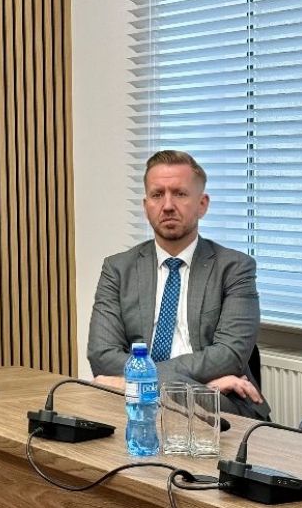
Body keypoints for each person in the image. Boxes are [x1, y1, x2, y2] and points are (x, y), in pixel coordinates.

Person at [87, 150, 271, 419]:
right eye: (157, 195)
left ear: (202, 204)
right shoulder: (118, 269)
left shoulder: (235, 268)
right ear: (146, 205)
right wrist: (196, 386)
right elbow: (102, 356)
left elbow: (230, 356)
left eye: (180, 193)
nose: (168, 205)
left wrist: (130, 382)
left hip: (220, 404)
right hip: (174, 397)